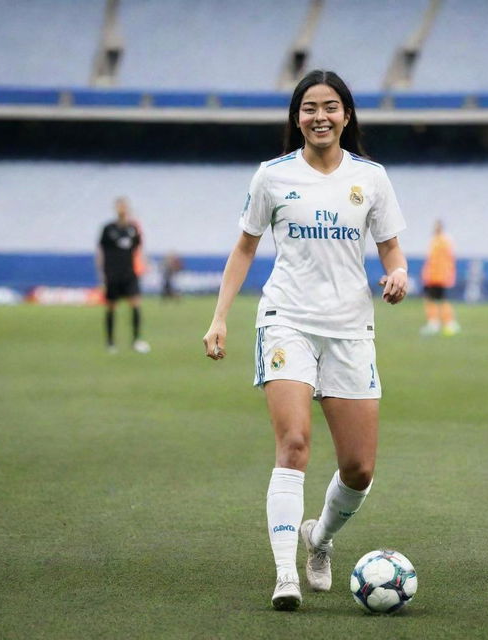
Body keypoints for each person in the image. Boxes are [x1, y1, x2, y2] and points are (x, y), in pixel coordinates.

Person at [202, 70, 408, 611]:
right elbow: (244, 248)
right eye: (310, 107)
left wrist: (399, 273)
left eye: (331, 107)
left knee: (359, 469)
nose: (321, 116)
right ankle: (285, 574)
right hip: (286, 319)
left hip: (349, 330)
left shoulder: (373, 178)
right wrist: (220, 317)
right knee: (293, 442)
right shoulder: (272, 176)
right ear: (297, 117)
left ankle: (320, 542)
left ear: (346, 116)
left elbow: (390, 249)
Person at [96, 197, 151, 353]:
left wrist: (142, 267)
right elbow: (100, 251)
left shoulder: (133, 229)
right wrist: (101, 273)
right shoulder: (108, 229)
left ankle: (136, 340)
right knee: (111, 307)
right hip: (112, 274)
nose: (122, 209)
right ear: (116, 209)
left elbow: (139, 250)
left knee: (135, 304)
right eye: (119, 206)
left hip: (129, 274)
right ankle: (110, 342)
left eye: (124, 206)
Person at [420, 220, 460, 336]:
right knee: (438, 300)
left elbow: (437, 262)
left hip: (436, 277)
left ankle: (438, 323)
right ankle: (446, 323)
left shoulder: (439, 242)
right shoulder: (442, 241)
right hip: (437, 277)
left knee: (434, 300)